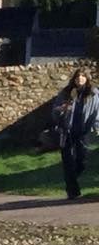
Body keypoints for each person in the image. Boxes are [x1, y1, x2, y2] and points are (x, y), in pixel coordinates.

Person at [51, 68, 99, 200]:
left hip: (83, 132)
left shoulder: (93, 93)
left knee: (81, 162)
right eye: (78, 76)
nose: (80, 79)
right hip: (66, 132)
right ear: (74, 79)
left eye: (83, 76)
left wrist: (96, 126)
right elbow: (55, 112)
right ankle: (73, 191)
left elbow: (97, 112)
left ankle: (71, 182)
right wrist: (62, 109)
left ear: (87, 78)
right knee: (68, 162)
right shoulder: (66, 93)